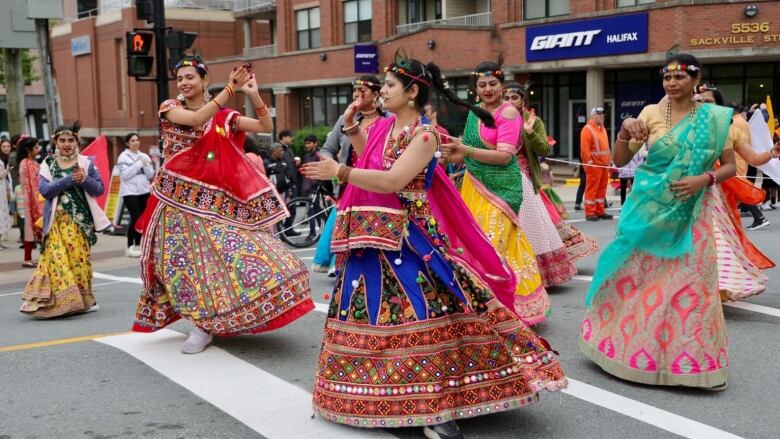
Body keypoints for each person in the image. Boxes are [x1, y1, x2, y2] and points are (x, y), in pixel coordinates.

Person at [301, 51, 565, 439]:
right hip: (372, 235)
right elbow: (370, 157)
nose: (382, 91)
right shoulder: (383, 126)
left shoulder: (424, 135)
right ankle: (372, 393)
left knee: (421, 312)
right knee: (368, 312)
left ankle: (435, 406)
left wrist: (338, 170)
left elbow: (392, 180)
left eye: (389, 86)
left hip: (409, 237)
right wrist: (352, 127)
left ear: (411, 93)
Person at [132, 56, 313, 354]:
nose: (184, 83)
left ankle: (215, 320)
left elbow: (265, 125)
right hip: (176, 205)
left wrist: (252, 93)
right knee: (185, 267)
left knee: (227, 256)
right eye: (180, 78)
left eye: (190, 77)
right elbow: (195, 119)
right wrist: (230, 88)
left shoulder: (225, 116)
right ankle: (201, 323)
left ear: (204, 80)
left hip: (215, 204)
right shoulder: (171, 108)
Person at [580, 54, 739, 390]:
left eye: (679, 77)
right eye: (666, 77)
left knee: (691, 285)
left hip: (692, 211)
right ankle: (626, 349)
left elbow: (730, 166)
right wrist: (624, 130)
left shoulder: (712, 119)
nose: (671, 83)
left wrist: (704, 179)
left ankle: (694, 364)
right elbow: (619, 159)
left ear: (696, 79)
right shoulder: (650, 113)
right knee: (637, 279)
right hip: (649, 210)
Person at [441, 62, 549, 323]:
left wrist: (464, 151)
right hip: (473, 184)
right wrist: (452, 152)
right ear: (475, 89)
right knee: (473, 243)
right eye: (482, 84)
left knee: (493, 242)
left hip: (502, 188)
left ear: (501, 85)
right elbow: (468, 147)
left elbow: (503, 156)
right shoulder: (474, 113)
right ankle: (478, 307)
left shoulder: (509, 113)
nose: (488, 89)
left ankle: (504, 308)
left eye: (493, 83)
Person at [695, 85, 779, 301]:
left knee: (715, 240)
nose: (703, 105)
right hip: (682, 192)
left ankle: (719, 286)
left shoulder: (730, 130)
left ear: (719, 105)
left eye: (708, 101)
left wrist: (772, 153)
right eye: (699, 101)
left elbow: (753, 158)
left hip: (713, 196)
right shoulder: (683, 126)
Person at [20, 122, 111, 318]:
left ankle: (83, 300)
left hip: (79, 223)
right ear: (55, 142)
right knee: (55, 260)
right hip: (55, 223)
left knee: (78, 262)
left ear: (76, 141)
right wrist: (71, 179)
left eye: (71, 140)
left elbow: (99, 190)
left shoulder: (86, 163)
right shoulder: (48, 164)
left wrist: (85, 179)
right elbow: (45, 190)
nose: (67, 144)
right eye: (62, 140)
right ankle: (58, 302)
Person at [503, 82, 575, 288]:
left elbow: (545, 148)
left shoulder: (531, 120)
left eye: (514, 98)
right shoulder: (495, 118)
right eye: (506, 98)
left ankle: (536, 275)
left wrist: (530, 132)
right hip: (497, 176)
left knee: (529, 224)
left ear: (523, 100)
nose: (509, 102)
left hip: (523, 177)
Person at [314, 75, 384, 276]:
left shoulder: (388, 120)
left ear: (376, 94)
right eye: (355, 90)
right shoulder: (344, 119)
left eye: (363, 91)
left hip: (375, 184)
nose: (357, 94)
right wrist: (334, 167)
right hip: (348, 183)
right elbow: (327, 149)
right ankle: (343, 267)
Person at [117, 132, 154, 258]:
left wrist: (147, 164)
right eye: (132, 140)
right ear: (127, 143)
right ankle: (130, 246)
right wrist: (138, 164)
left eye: (137, 140)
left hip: (143, 190)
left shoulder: (143, 155)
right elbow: (125, 175)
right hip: (130, 191)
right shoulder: (123, 157)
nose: (136, 142)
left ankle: (139, 244)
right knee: (136, 217)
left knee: (143, 218)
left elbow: (150, 175)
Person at [580, 107, 613, 221]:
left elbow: (606, 148)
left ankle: (600, 210)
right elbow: (585, 150)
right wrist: (590, 165)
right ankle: (590, 212)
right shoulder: (587, 129)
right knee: (592, 189)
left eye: (603, 114)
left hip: (603, 165)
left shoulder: (602, 129)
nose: (602, 116)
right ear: (593, 115)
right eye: (599, 114)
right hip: (594, 165)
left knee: (601, 189)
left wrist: (609, 161)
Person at [17, 136, 44, 267]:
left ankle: (28, 258)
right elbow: (33, 185)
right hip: (32, 200)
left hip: (30, 199)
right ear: (29, 150)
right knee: (35, 228)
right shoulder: (28, 164)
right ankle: (28, 259)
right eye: (36, 148)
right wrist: (38, 204)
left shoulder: (26, 163)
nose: (39, 150)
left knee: (31, 229)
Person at [278, 129, 301, 235]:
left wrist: (296, 163)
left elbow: (290, 165)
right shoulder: (278, 149)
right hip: (283, 183)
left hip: (292, 182)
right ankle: (281, 230)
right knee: (282, 208)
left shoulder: (289, 149)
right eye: (290, 136)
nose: (292, 139)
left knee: (292, 207)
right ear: (283, 137)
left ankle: (288, 229)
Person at [0, 138, 12, 246]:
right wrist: (7, 170)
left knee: (3, 213)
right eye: (4, 146)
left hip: (3, 190)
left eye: (8, 146)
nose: (6, 148)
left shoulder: (5, 159)